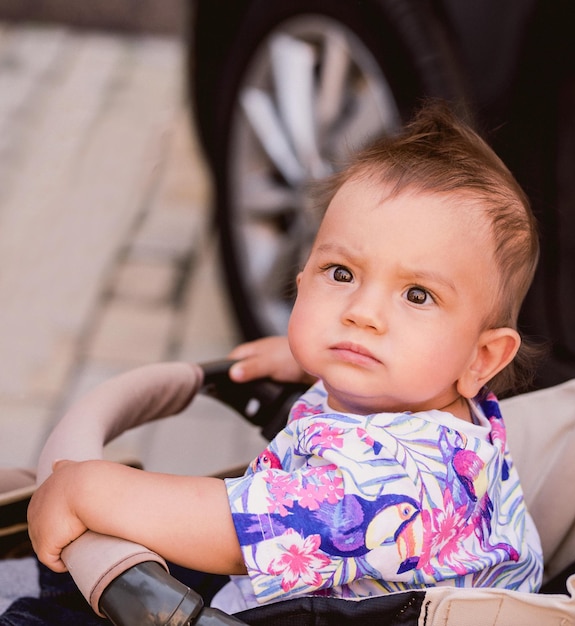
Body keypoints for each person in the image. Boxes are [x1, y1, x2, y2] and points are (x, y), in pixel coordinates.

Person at [26, 101, 543, 616]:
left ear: (482, 358)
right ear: (302, 284)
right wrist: (305, 359)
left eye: (417, 295)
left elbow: (234, 532)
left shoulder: (404, 484)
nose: (361, 313)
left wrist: (93, 490)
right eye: (341, 274)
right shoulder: (415, 384)